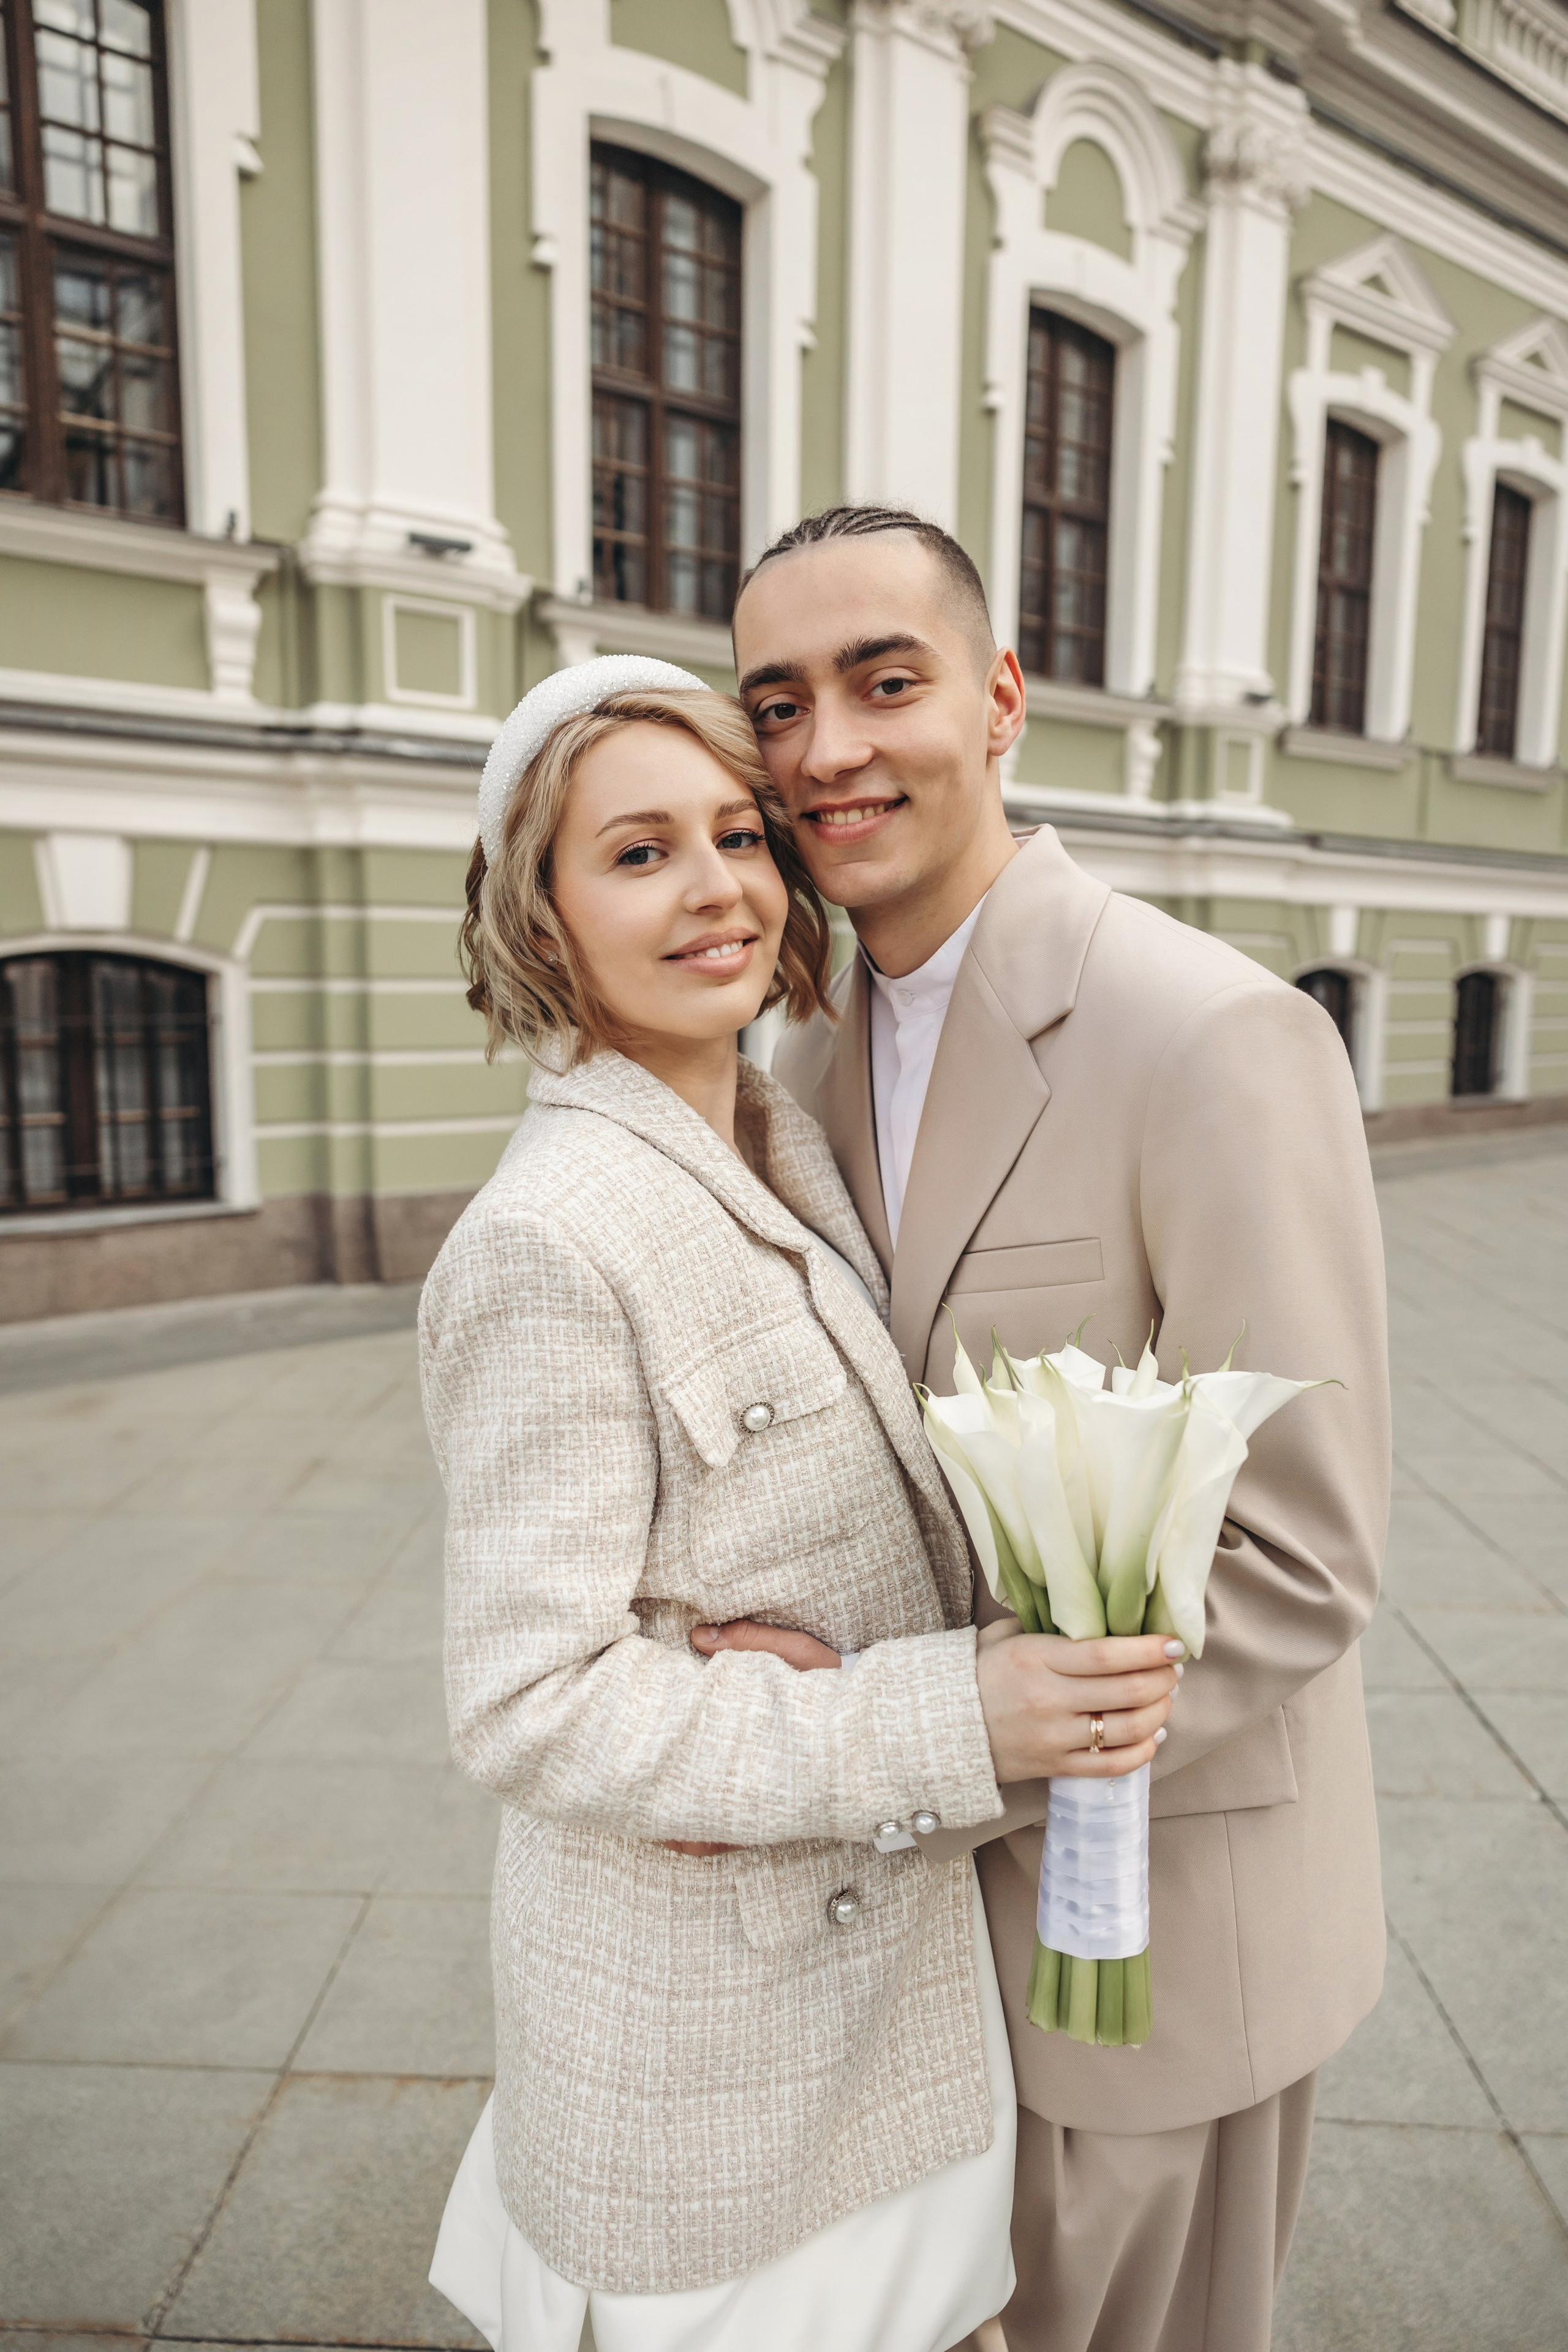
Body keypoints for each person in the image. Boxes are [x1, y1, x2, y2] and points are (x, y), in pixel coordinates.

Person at [418, 655, 1179, 2352]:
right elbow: (527, 1706)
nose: (720, 891)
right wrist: (951, 1710)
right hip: (716, 2047)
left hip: (876, 1999)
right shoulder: (550, 1239)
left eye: (742, 836)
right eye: (637, 854)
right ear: (540, 917)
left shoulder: (780, 1137)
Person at [714, 507, 1391, 2352]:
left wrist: (929, 1740)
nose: (826, 750)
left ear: (1001, 698)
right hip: (916, 1957)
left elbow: (1305, 1553)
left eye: (885, 681)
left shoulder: (1212, 1036)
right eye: (778, 705)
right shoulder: (798, 1063)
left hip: (1156, 1943)